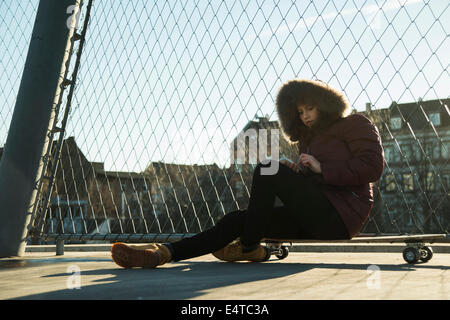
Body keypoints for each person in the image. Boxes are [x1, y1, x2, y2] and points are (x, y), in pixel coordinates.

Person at [110, 79, 385, 269]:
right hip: (313, 214)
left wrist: (321, 168)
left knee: (267, 169)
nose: (305, 116)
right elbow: (315, 182)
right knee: (237, 219)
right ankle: (161, 254)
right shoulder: (308, 139)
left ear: (325, 104)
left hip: (341, 215)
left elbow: (373, 168)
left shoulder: (356, 124)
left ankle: (249, 246)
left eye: (309, 108)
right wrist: (300, 173)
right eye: (299, 112)